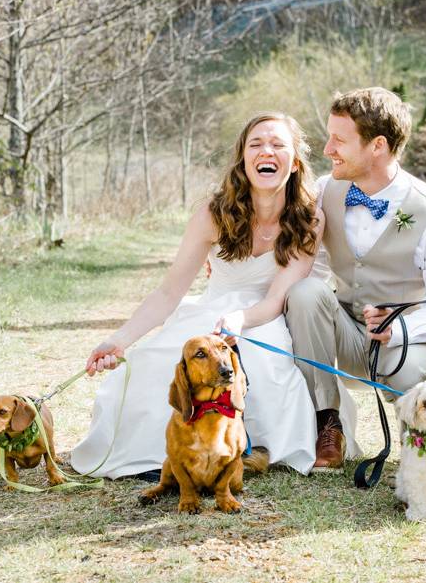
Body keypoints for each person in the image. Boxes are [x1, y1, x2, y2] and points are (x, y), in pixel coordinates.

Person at [70, 113, 359, 478]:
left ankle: (248, 450)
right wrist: (119, 340)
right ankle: (171, 454)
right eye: (255, 144)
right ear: (242, 158)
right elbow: (169, 291)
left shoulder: (308, 219)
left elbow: (275, 299)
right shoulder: (213, 213)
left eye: (277, 145)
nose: (265, 151)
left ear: (295, 161)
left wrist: (242, 320)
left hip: (267, 315)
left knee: (267, 368)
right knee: (160, 361)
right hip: (212, 309)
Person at [284, 87, 426, 471]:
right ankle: (325, 422)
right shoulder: (323, 192)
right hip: (345, 333)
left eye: (339, 140)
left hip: (406, 344)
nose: (328, 149)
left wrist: (396, 329)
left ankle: (415, 446)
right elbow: (303, 259)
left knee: (411, 372)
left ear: (377, 145)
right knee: (305, 292)